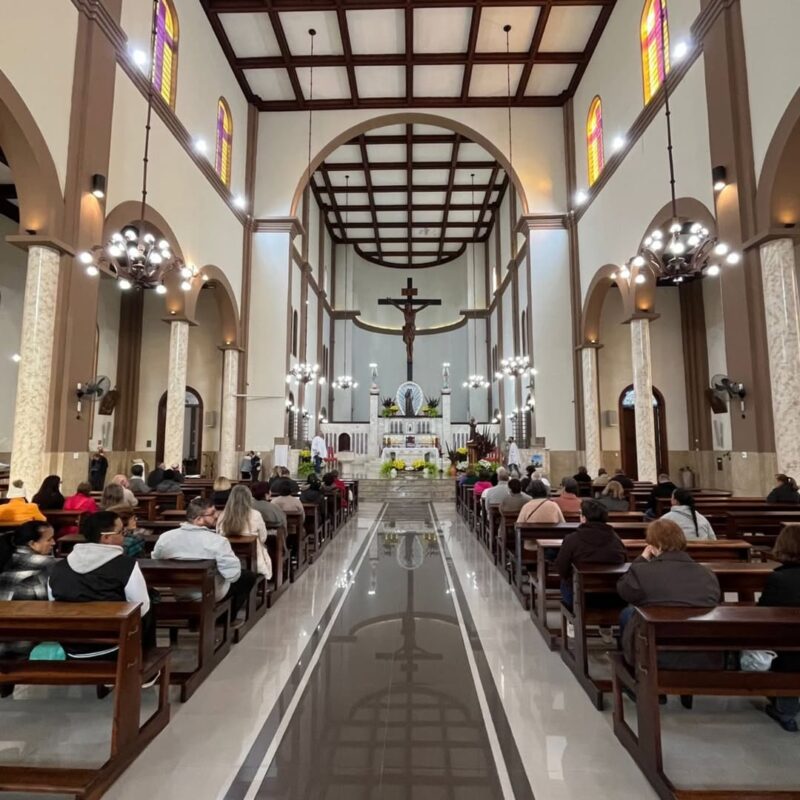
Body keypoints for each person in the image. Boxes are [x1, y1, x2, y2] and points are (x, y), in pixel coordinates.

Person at [616, 519, 721, 669]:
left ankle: (633, 672)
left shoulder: (643, 571)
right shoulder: (707, 574)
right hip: (703, 652)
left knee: (628, 613)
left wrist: (641, 560)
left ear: (653, 546)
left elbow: (624, 590)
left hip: (656, 652)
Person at [49, 511, 154, 655]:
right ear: (106, 538)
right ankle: (146, 667)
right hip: (115, 646)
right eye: (121, 531)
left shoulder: (59, 567)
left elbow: (53, 604)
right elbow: (142, 607)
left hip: (71, 647)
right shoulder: (125, 565)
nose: (125, 535)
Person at [153, 498, 257, 620]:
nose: (217, 516)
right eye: (212, 513)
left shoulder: (165, 538)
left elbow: (156, 561)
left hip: (179, 591)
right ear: (198, 519)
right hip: (210, 592)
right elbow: (233, 575)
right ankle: (225, 618)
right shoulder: (217, 541)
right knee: (247, 577)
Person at [758, 525, 800, 732]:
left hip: (791, 647)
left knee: (786, 644)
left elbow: (763, 614)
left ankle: (786, 709)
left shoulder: (779, 579)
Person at [555, 499, 626, 610]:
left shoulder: (572, 539)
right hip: (613, 597)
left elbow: (561, 569)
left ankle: (571, 622)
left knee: (565, 582)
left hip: (580, 598)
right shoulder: (617, 540)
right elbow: (625, 564)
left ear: (583, 518)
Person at [217, 484, 272, 578]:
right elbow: (263, 537)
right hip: (252, 555)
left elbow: (218, 534)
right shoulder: (255, 514)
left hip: (227, 556)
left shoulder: (223, 515)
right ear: (249, 498)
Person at [0, 521, 56, 601]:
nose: (53, 543)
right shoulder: (47, 563)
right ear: (32, 543)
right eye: (49, 539)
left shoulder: (7, 556)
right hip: (29, 610)